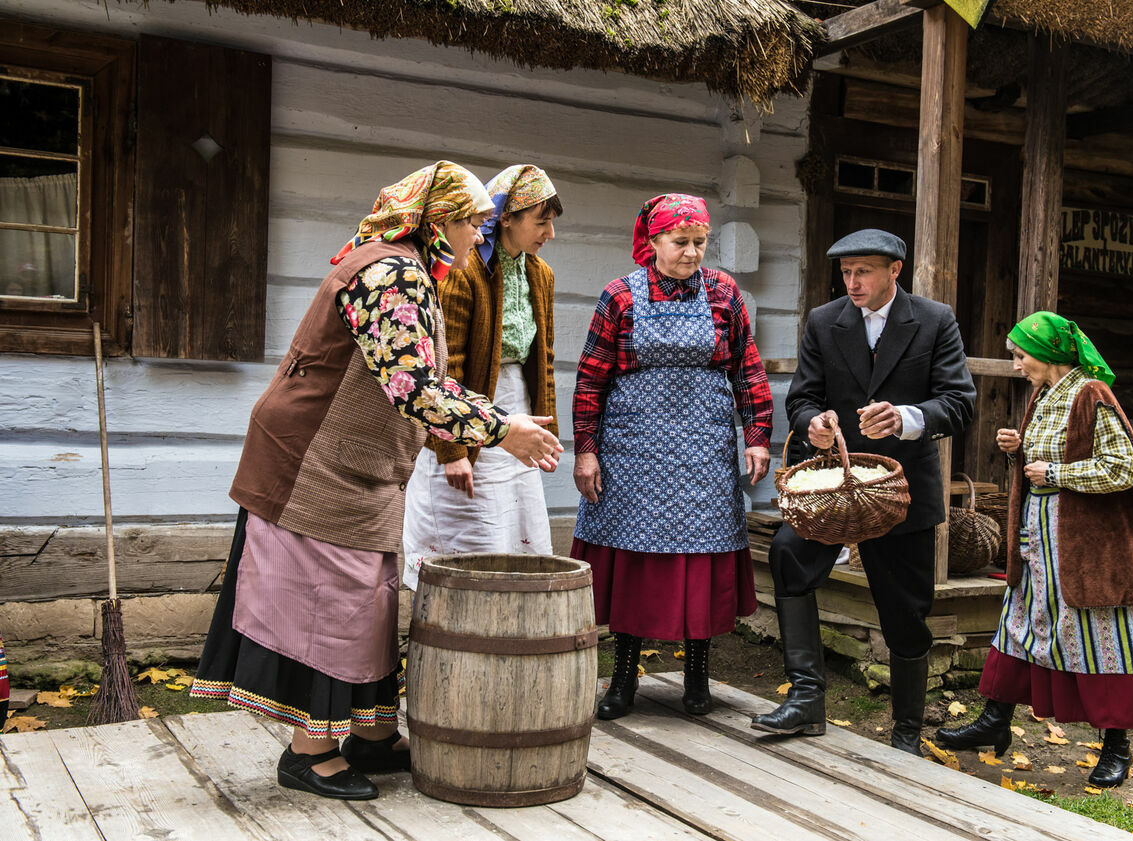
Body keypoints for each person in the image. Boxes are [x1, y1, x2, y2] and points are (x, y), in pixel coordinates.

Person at [190, 161, 562, 802]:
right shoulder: (388, 272)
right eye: (472, 222)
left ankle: (369, 733)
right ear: (438, 220)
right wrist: (502, 429)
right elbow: (411, 383)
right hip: (310, 461)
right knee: (324, 603)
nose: (479, 234)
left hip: (351, 463)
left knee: (369, 598)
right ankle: (308, 751)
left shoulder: (406, 266)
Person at [751, 229, 975, 754]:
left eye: (864, 272)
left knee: (905, 608)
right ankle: (806, 699)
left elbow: (959, 403)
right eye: (846, 272)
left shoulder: (935, 320)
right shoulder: (824, 322)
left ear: (895, 271)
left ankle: (905, 733)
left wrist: (906, 417)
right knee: (787, 554)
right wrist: (814, 425)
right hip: (832, 486)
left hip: (901, 492)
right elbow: (803, 397)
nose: (851, 282)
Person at [935, 311, 1133, 788]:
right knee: (1023, 622)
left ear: (1049, 353)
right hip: (1039, 534)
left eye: (1021, 355)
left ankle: (1117, 745)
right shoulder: (1045, 395)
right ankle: (995, 722)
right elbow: (1056, 455)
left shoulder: (1092, 395)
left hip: (1085, 543)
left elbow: (1123, 469)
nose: (1017, 364)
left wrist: (1055, 474)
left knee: (1101, 634)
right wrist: (1019, 447)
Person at [571, 193, 772, 720]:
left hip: (703, 448)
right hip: (632, 448)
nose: (690, 253)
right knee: (636, 559)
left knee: (698, 558)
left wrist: (756, 436)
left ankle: (697, 678)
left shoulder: (724, 293)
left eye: (699, 243)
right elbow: (591, 380)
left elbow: (748, 371)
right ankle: (621, 681)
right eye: (680, 242)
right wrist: (587, 453)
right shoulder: (619, 296)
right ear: (653, 241)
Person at [402, 165, 561, 580]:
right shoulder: (466, 270)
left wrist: (548, 433)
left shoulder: (539, 273)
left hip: (518, 406)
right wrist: (452, 451)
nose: (550, 233)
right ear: (506, 217)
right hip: (469, 406)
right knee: (475, 525)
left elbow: (542, 355)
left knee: (515, 526)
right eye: (541, 221)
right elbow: (446, 363)